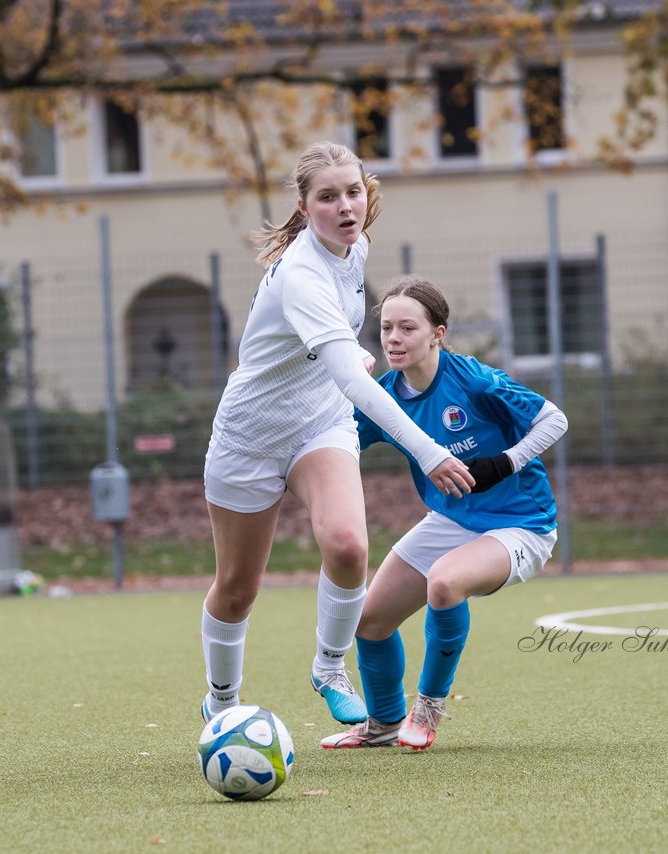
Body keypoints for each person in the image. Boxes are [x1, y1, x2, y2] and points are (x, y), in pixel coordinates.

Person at [199, 142, 475, 727]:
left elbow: (344, 366)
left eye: (353, 191)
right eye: (328, 197)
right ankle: (222, 705)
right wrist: (427, 451)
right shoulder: (301, 273)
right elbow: (351, 373)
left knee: (349, 546)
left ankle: (328, 667)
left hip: (318, 425)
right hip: (249, 436)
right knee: (236, 589)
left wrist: (353, 361)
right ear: (305, 207)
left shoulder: (356, 247)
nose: (346, 206)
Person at [320, 275, 567, 751]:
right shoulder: (382, 396)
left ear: (438, 333)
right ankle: (383, 723)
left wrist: (505, 461)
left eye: (408, 328)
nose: (393, 338)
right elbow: (335, 440)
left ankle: (428, 709)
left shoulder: (474, 380)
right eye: (387, 328)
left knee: (445, 581)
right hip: (452, 521)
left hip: (522, 525)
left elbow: (553, 419)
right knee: (369, 621)